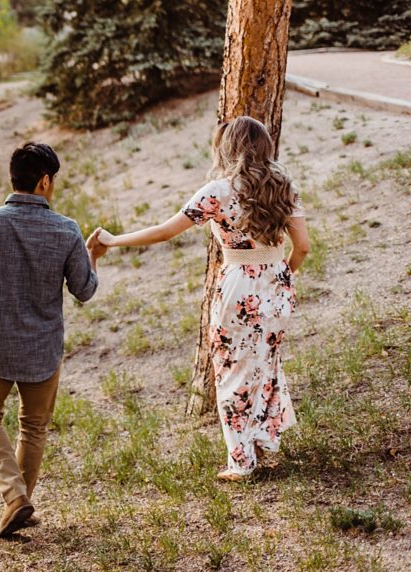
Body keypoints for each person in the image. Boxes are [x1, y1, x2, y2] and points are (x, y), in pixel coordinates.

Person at [95, 116, 311, 481]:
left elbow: (166, 231)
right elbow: (303, 247)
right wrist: (284, 274)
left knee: (231, 368)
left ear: (228, 147)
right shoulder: (284, 185)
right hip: (278, 284)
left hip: (239, 286)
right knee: (264, 363)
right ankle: (258, 442)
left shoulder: (219, 190)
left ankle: (241, 461)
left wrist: (113, 240)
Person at [0, 142, 107, 539]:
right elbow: (84, 290)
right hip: (43, 348)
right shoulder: (66, 230)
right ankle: (19, 501)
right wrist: (93, 255)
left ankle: (15, 498)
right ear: (45, 181)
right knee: (33, 426)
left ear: (13, 177)